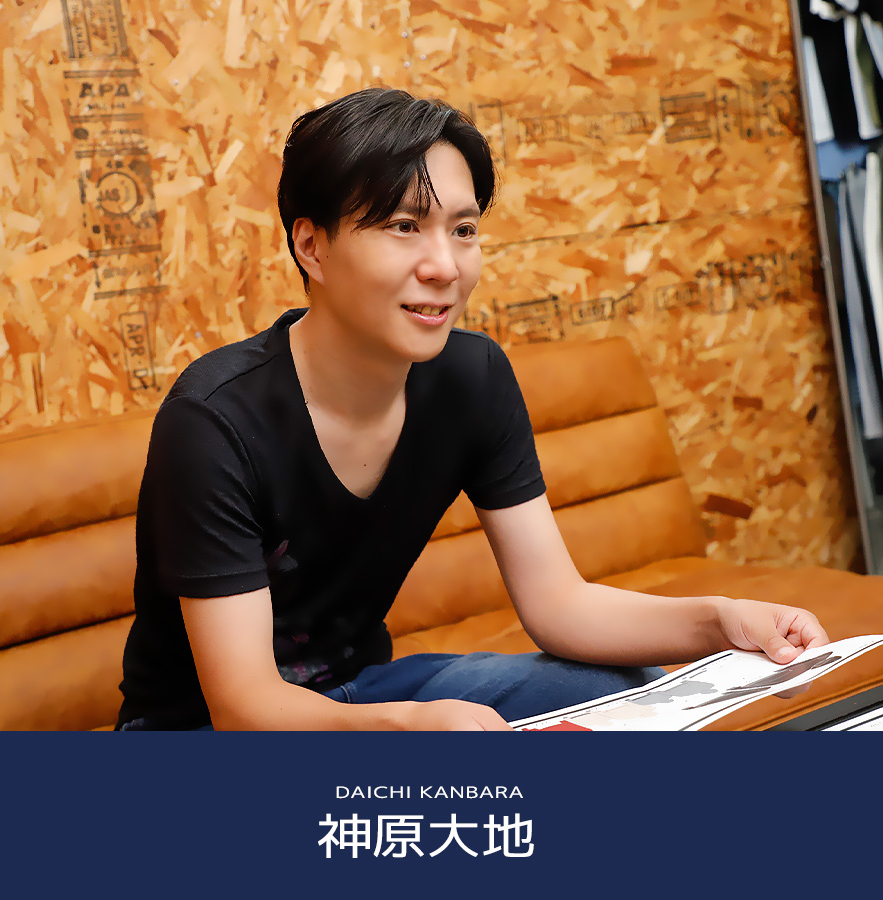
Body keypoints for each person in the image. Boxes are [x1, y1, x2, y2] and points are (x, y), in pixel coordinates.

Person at [116, 87, 829, 731]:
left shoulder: (470, 378)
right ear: (313, 247)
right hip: (201, 732)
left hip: (361, 691)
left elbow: (559, 605)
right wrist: (408, 730)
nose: (446, 267)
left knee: (621, 687)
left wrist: (720, 621)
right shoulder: (214, 422)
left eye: (463, 230)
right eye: (404, 226)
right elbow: (244, 706)